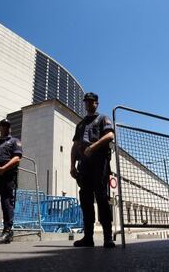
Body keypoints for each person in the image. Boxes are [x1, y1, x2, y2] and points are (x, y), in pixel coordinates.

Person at [70, 92, 115, 248]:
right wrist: (72, 166)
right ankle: (88, 237)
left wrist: (93, 147)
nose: (88, 104)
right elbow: (75, 146)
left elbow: (109, 135)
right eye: (86, 101)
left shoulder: (102, 118)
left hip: (99, 163)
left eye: (92, 101)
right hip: (84, 166)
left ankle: (108, 237)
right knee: (86, 200)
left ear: (97, 103)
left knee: (102, 198)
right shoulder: (80, 124)